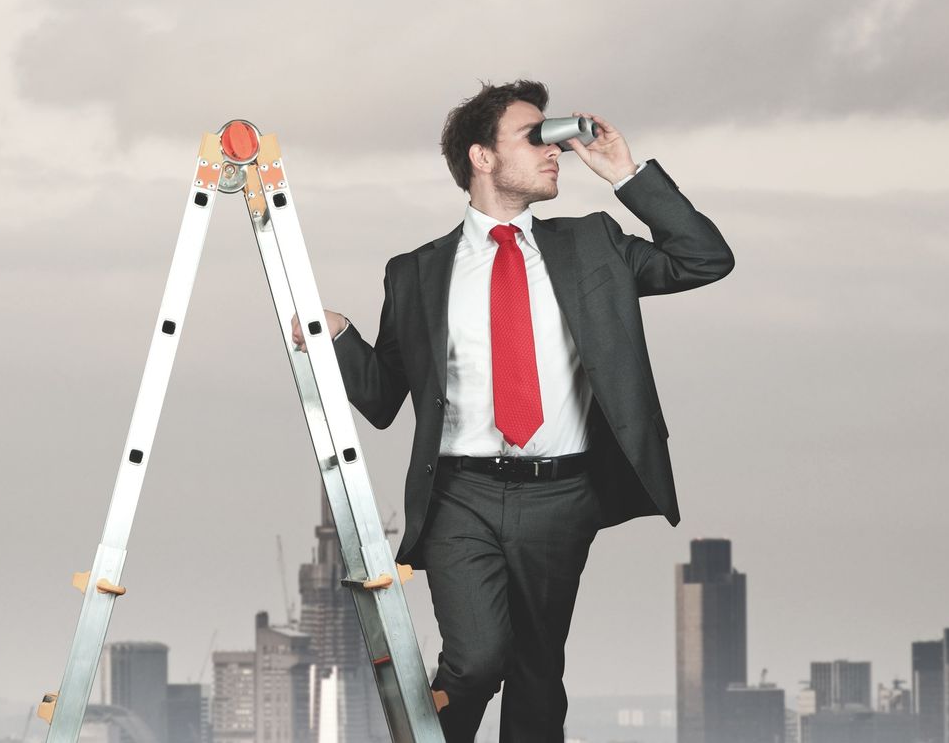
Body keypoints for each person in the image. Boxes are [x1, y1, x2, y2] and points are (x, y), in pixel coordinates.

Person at [292, 79, 734, 742]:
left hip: (563, 494)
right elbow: (384, 398)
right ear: (481, 157)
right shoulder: (416, 273)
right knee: (473, 663)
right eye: (536, 136)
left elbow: (705, 259)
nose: (556, 150)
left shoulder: (594, 245)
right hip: (460, 494)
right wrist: (340, 335)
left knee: (535, 675)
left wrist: (627, 174)